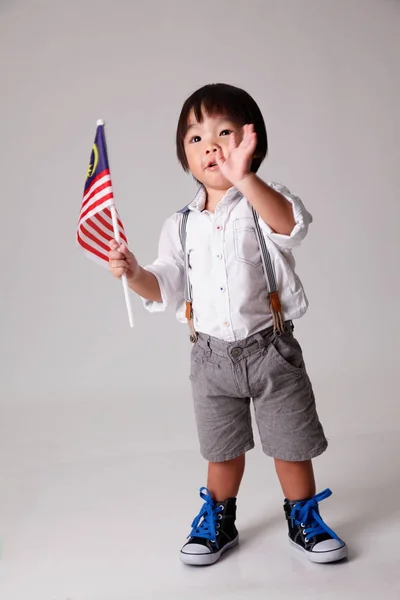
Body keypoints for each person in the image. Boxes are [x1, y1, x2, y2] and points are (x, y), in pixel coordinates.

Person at [108, 83, 348, 566]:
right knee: (221, 450)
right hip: (211, 356)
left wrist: (245, 180)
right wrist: (135, 274)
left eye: (223, 133)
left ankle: (303, 515)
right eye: (196, 138)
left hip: (270, 350)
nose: (210, 146)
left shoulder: (265, 200)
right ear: (184, 154)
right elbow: (168, 284)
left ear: (250, 141)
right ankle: (219, 518)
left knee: (291, 442)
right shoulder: (180, 224)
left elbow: (290, 227)